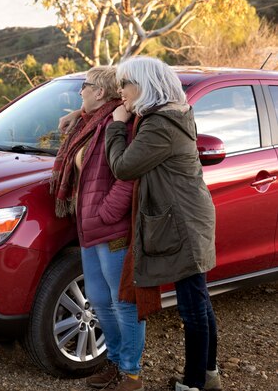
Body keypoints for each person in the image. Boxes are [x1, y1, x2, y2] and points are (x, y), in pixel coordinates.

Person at [104, 56, 221, 391]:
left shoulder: (160, 125)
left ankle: (195, 383)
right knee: (199, 300)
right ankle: (209, 376)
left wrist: (116, 124)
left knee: (193, 306)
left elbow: (124, 167)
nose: (121, 91)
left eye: (125, 83)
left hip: (182, 223)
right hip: (188, 216)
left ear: (145, 85)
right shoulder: (171, 114)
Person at [51, 66, 146, 391]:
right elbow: (87, 114)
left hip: (111, 227)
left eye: (85, 86)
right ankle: (116, 362)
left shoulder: (119, 124)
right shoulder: (91, 123)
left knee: (123, 302)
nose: (80, 91)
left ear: (101, 92)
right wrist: (77, 114)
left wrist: (106, 213)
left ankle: (132, 375)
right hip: (89, 226)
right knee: (98, 298)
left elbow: (128, 175)